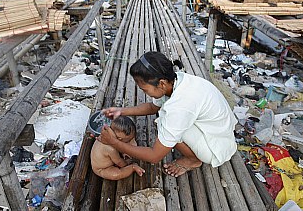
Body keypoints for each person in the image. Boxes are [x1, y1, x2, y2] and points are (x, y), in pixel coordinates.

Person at [99, 51, 237, 177]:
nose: (144, 93)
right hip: (219, 129)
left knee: (162, 122)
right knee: (166, 119)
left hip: (215, 146)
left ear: (162, 84)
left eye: (145, 90)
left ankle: (193, 160)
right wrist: (121, 111)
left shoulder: (180, 105)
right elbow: (152, 107)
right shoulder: (177, 80)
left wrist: (114, 142)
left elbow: (154, 156)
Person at [91, 116, 145, 180]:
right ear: (119, 139)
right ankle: (133, 168)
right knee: (116, 175)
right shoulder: (111, 149)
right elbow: (119, 163)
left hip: (111, 157)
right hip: (102, 168)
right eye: (128, 140)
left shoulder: (105, 134)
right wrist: (127, 163)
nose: (129, 142)